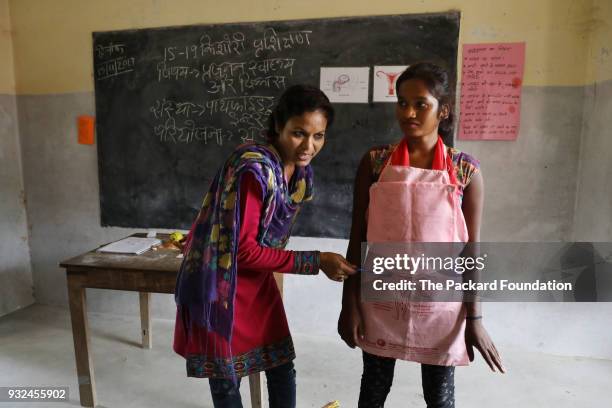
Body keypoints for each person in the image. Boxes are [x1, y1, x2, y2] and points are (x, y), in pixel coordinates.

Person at [174, 85, 356, 408]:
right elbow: (243, 250)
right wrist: (317, 261)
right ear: (278, 127)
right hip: (222, 286)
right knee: (228, 381)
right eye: (299, 133)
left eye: (319, 136)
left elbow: (262, 244)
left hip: (257, 283)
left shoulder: (299, 175)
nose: (309, 146)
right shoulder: (254, 170)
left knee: (281, 364)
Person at [337, 62, 505, 408]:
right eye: (402, 102)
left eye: (421, 104)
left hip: (441, 308)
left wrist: (475, 319)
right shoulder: (375, 162)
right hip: (381, 301)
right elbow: (357, 239)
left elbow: (471, 251)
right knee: (373, 389)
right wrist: (348, 304)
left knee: (439, 397)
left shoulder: (465, 169)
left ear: (443, 111)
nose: (408, 112)